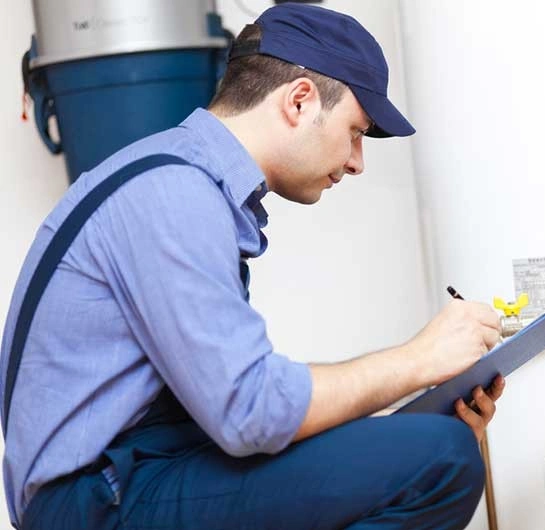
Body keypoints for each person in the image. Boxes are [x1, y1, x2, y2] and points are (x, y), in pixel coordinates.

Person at [1, 4, 504, 529]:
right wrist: (419, 360)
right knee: (441, 458)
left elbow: (238, 410)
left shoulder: (176, 179)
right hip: (94, 502)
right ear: (300, 101)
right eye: (357, 131)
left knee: (428, 448)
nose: (358, 161)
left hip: (136, 476)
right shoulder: (174, 194)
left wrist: (402, 433)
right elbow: (251, 412)